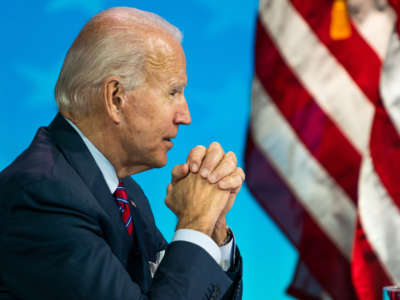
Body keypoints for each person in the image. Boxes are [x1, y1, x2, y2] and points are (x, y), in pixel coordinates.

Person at [0, 7, 244, 300]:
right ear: (116, 98)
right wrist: (195, 222)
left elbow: (174, 289)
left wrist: (213, 229)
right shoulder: (41, 195)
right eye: (173, 92)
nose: (185, 115)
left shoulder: (125, 193)